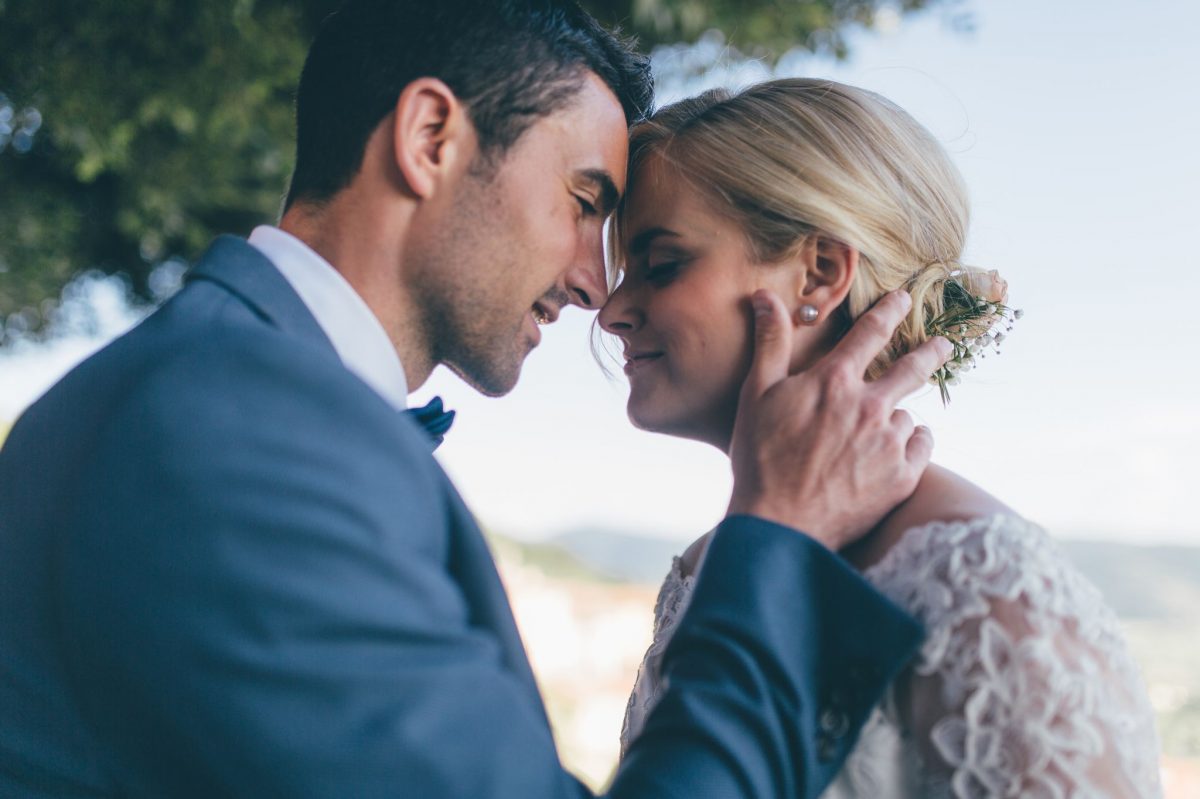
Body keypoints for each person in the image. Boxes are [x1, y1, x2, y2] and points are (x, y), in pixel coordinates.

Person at [0, 3, 954, 797]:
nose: (594, 287)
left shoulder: (225, 385)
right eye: (586, 203)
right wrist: (778, 534)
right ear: (430, 140)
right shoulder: (240, 428)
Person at [602, 78, 1162, 798]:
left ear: (821, 273)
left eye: (662, 265)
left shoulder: (983, 585)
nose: (612, 309)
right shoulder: (709, 568)